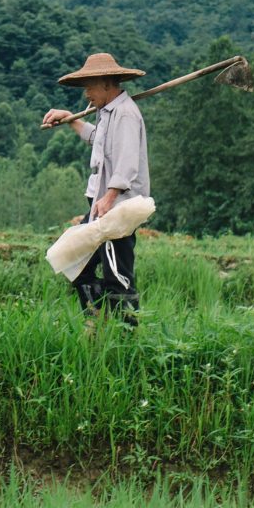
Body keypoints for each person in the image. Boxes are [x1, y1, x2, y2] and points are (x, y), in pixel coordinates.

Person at [43, 52, 151, 320]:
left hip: (117, 208)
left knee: (117, 273)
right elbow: (97, 140)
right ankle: (98, 318)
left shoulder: (125, 114)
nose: (86, 94)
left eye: (90, 86)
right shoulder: (108, 113)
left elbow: (127, 163)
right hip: (101, 204)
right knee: (75, 260)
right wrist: (72, 119)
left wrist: (110, 196)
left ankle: (124, 334)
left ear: (106, 83)